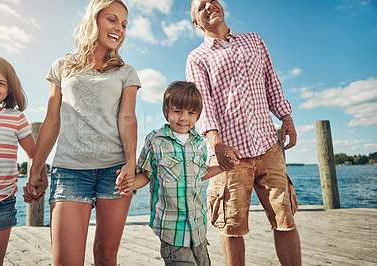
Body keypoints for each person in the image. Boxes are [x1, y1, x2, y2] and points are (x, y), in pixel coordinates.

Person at [24, 0, 141, 265]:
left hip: (115, 171)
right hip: (69, 171)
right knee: (66, 260)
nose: (119, 29)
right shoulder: (62, 65)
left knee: (105, 254)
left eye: (124, 24)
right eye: (112, 20)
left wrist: (131, 164)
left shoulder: (126, 72)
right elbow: (51, 120)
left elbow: (127, 118)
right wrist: (36, 168)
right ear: (94, 19)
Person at [185, 0, 301, 265]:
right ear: (195, 23)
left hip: (269, 147)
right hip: (230, 155)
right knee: (231, 226)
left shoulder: (253, 41)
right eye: (200, 5)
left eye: (212, 0)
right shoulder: (198, 57)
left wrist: (285, 117)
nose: (209, 5)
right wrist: (216, 145)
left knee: (285, 220)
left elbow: (271, 81)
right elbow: (203, 105)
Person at [117, 81, 236, 266]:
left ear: (198, 115)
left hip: (198, 229)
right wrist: (130, 183)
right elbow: (146, 175)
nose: (184, 118)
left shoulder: (199, 143)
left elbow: (200, 173)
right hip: (172, 231)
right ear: (167, 111)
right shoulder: (155, 140)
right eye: (178, 111)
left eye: (191, 113)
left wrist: (223, 167)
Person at [0, 53, 47, 266]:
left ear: (9, 89)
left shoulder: (14, 118)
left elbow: (35, 154)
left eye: (0, 83)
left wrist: (40, 181)